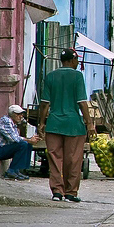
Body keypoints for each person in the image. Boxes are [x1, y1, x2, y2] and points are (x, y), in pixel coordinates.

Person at [38, 49, 96, 202]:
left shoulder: (51, 76)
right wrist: (89, 124)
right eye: (77, 61)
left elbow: (45, 104)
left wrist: (41, 123)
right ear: (72, 60)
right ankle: (71, 192)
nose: (78, 64)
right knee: (73, 159)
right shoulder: (77, 76)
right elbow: (82, 103)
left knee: (55, 159)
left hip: (54, 124)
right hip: (73, 125)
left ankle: (57, 191)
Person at [0, 104, 41, 180]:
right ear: (12, 114)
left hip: (4, 148)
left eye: (21, 114)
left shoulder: (13, 123)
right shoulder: (6, 121)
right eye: (18, 114)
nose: (21, 116)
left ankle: (18, 170)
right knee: (23, 144)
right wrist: (29, 140)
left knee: (27, 144)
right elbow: (14, 139)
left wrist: (29, 141)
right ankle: (11, 170)